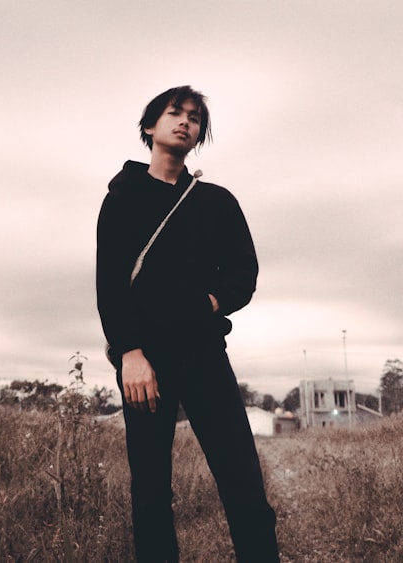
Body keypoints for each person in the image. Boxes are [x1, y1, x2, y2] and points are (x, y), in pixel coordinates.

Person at [96, 85, 280, 562]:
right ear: (149, 127)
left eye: (195, 118)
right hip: (145, 361)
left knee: (243, 482)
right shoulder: (122, 198)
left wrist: (213, 302)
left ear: (199, 135)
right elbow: (110, 284)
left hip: (203, 353)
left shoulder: (216, 202)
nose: (185, 122)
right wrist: (129, 353)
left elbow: (244, 272)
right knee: (152, 495)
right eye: (174, 113)